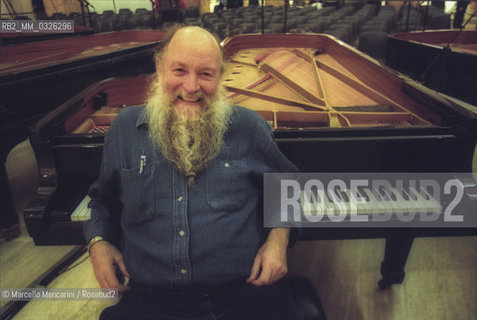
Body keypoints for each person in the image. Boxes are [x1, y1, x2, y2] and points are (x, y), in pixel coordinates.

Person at [84, 25, 303, 320]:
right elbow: (101, 201)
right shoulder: (124, 129)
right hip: (151, 299)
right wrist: (98, 243)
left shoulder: (249, 127)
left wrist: (278, 241)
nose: (191, 87)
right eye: (179, 70)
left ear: (220, 75)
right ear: (159, 67)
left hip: (242, 293)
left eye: (205, 74)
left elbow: (288, 186)